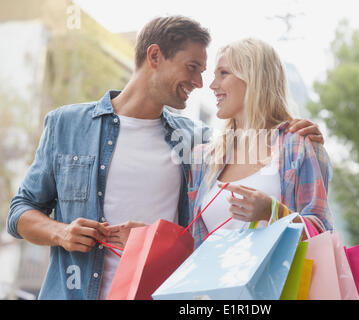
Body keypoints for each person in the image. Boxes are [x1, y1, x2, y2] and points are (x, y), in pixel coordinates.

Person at [6, 16, 324, 300]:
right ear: (155, 56)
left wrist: (308, 148)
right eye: (192, 67)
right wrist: (61, 232)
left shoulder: (196, 142)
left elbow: (189, 242)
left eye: (210, 72)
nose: (201, 83)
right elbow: (19, 211)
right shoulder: (67, 124)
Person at [186, 38, 333, 248]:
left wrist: (273, 212)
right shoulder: (203, 158)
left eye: (224, 73)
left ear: (254, 79)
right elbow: (189, 240)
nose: (212, 85)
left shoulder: (297, 147)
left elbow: (322, 234)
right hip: (216, 281)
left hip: (279, 281)